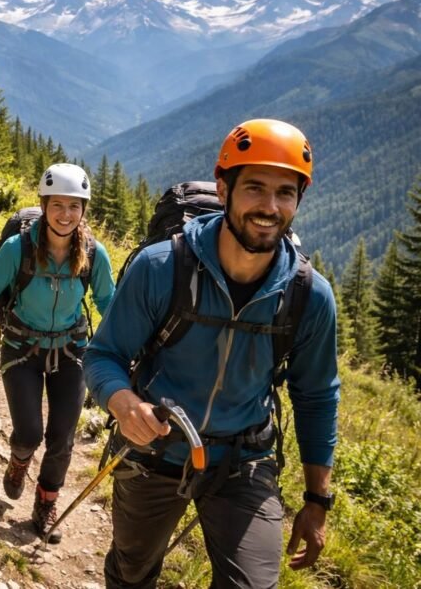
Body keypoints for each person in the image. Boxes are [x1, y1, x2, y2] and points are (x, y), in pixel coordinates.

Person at [84, 119, 340, 588]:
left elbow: (317, 396)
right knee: (132, 571)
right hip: (153, 451)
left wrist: (316, 500)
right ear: (224, 189)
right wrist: (123, 403)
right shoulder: (161, 268)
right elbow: (103, 355)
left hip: (243, 461)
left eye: (286, 192)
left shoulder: (309, 297)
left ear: (299, 200)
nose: (269, 206)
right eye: (255, 188)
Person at [0, 163, 115, 542]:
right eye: (58, 205)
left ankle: (45, 503)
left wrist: (132, 339)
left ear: (84, 211)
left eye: (74, 207)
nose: (65, 214)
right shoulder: (18, 247)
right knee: (29, 431)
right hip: (22, 347)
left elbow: (109, 301)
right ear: (44, 205)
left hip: (71, 350)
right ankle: (19, 460)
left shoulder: (93, 252)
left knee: (62, 437)